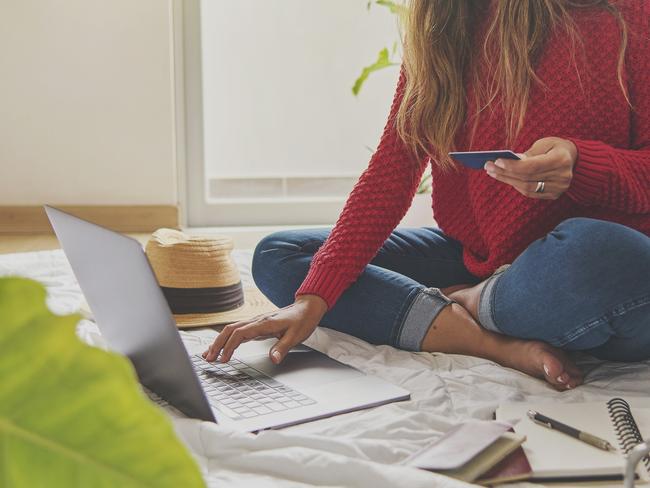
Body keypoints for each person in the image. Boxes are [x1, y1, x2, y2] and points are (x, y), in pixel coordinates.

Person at [204, 0, 650, 391]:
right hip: (480, 259)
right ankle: (487, 338)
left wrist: (582, 165)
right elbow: (390, 175)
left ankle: (476, 301)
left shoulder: (627, 15)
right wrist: (313, 299)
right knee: (281, 256)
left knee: (599, 253)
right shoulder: (444, 27)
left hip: (590, 271)